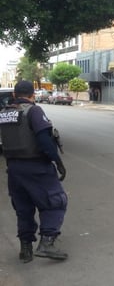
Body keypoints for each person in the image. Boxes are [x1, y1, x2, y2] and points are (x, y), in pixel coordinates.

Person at [0, 81, 68, 263]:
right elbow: (44, 140)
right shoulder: (33, 111)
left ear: (14, 94)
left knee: (24, 208)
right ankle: (47, 243)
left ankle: (25, 249)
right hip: (36, 167)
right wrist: (58, 162)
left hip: (14, 169)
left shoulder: (5, 113)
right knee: (55, 201)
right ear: (33, 95)